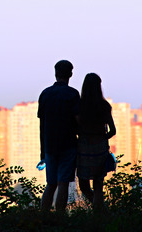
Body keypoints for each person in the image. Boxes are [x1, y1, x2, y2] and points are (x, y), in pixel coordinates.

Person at [38, 60, 80, 212]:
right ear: (70, 74)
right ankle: (60, 217)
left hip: (49, 145)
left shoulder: (45, 94)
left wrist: (42, 150)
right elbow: (78, 121)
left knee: (51, 184)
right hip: (68, 145)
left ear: (55, 73)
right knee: (63, 183)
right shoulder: (72, 94)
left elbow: (42, 124)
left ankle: (43, 217)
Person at [76, 73, 116, 210]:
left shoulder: (79, 106)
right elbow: (112, 131)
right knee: (98, 183)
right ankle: (100, 211)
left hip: (83, 148)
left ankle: (98, 208)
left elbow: (75, 128)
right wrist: (101, 138)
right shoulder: (104, 106)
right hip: (100, 148)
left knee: (83, 184)